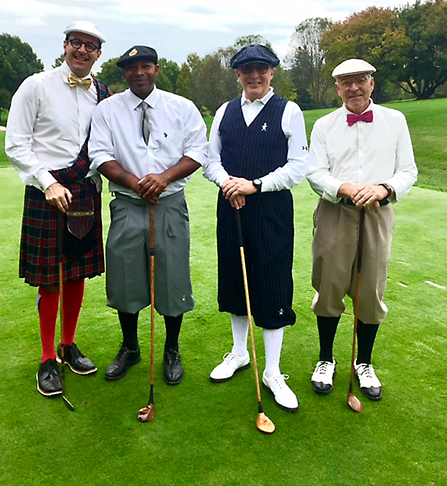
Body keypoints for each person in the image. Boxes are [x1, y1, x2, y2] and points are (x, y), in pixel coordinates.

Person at [88, 45, 208, 385]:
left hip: (169, 203)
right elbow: (99, 154)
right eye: (131, 68)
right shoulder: (107, 109)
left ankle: (171, 349)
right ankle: (130, 347)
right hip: (127, 202)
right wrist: (133, 181)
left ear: (156, 69)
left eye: (145, 66)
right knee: (125, 277)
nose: (138, 72)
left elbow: (198, 150)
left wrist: (164, 178)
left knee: (172, 278)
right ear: (124, 73)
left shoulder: (181, 107)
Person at [5, 21, 111, 398]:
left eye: (91, 46)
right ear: (65, 45)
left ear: (99, 54)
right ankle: (47, 357)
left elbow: (104, 145)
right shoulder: (36, 85)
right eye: (76, 43)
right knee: (50, 278)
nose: (82, 51)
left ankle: (68, 345)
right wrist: (47, 182)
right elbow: (16, 144)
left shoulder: (102, 92)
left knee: (76, 272)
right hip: (46, 191)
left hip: (84, 193)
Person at [203, 45, 308, 412]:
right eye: (247, 70)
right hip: (231, 207)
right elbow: (210, 159)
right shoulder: (224, 112)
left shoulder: (288, 111)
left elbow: (298, 166)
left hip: (271, 209)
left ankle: (273, 371)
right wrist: (228, 182)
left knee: (272, 281)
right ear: (237, 75)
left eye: (261, 69)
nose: (254, 76)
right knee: (235, 278)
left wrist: (256, 185)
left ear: (272, 72)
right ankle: (238, 353)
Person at [306, 59, 418, 400]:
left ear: (371, 83)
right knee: (329, 286)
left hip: (377, 213)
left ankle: (364, 362)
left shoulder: (395, 120)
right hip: (335, 212)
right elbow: (315, 172)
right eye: (345, 82)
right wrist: (343, 188)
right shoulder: (324, 125)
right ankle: (326, 359)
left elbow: (408, 171)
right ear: (337, 87)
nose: (353, 87)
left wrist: (384, 189)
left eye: (360, 81)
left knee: (370, 289)